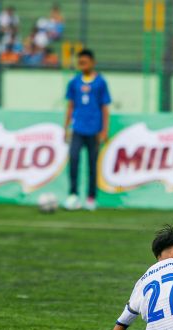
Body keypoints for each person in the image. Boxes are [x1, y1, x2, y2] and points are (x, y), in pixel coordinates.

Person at [63, 49, 111, 211]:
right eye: (80, 62)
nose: (82, 65)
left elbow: (105, 107)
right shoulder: (74, 82)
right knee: (74, 160)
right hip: (77, 129)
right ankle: (73, 195)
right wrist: (66, 127)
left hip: (94, 130)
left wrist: (104, 130)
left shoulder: (100, 82)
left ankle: (91, 197)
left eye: (85, 62)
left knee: (92, 164)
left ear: (93, 63)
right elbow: (70, 106)